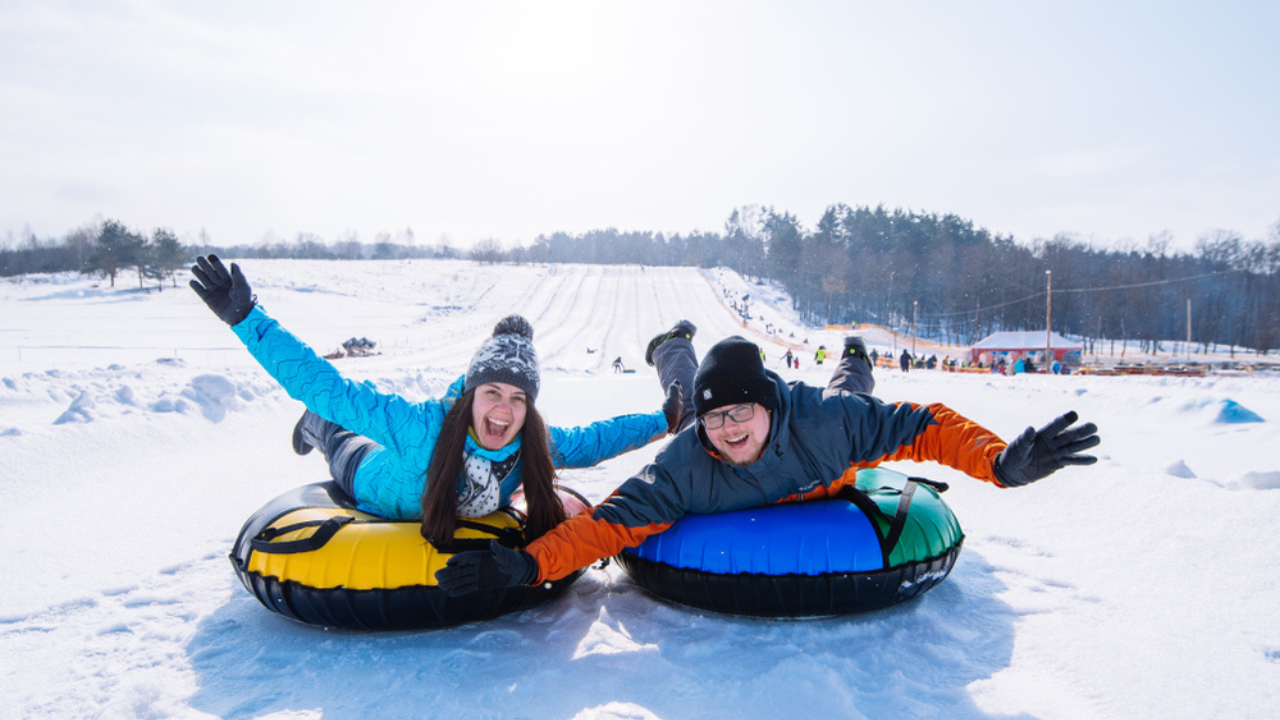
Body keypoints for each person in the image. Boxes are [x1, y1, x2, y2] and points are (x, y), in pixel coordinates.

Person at [432, 328, 1096, 598]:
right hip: (717, 423)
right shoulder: (690, 459)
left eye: (741, 414)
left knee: (851, 394)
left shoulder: (821, 424)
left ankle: (855, 355)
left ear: (769, 406)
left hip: (828, 438)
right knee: (685, 400)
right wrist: (526, 564)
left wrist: (999, 464)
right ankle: (672, 347)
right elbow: (613, 522)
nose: (729, 430)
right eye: (719, 420)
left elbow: (921, 427)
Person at [189, 255, 682, 546]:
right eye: (491, 393)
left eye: (517, 398)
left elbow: (596, 439)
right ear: (470, 395)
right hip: (369, 476)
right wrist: (246, 318)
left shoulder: (533, 443)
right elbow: (328, 387)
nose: (504, 411)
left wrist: (663, 418)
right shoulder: (422, 426)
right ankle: (316, 426)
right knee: (335, 424)